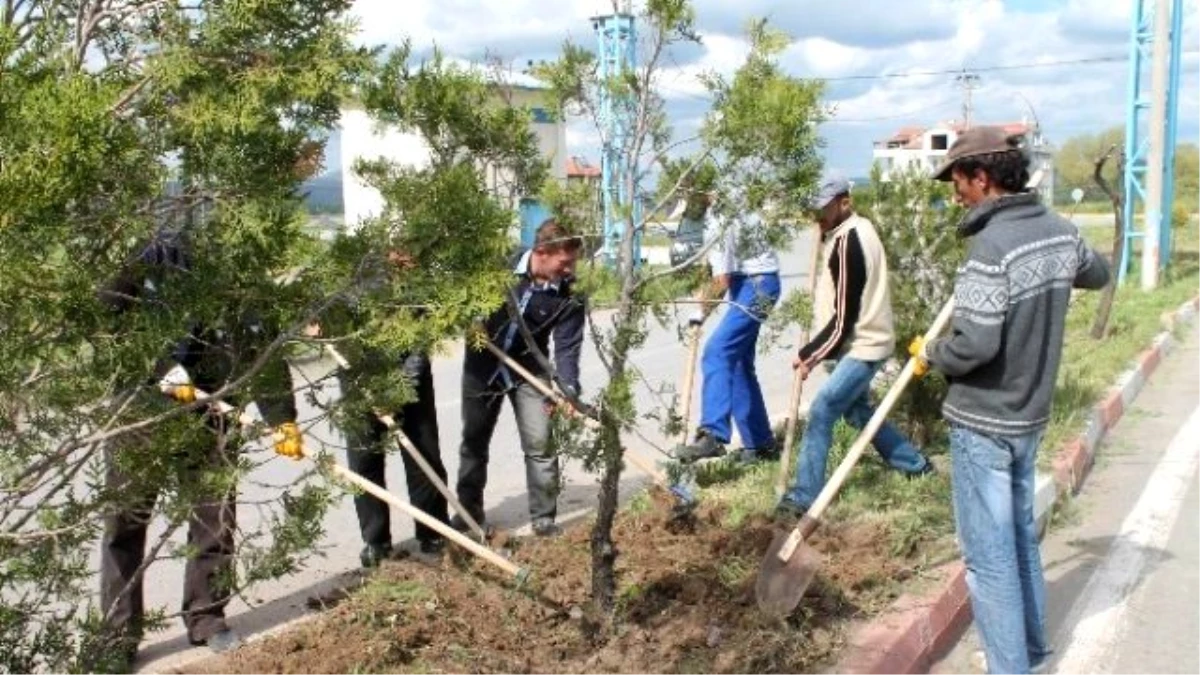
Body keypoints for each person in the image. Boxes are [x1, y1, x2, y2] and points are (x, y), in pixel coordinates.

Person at [910, 126, 1110, 674]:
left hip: (984, 421)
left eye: (958, 182)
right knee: (1019, 540)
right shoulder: (1059, 232)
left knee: (988, 559)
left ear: (984, 177)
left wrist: (931, 352)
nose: (956, 193)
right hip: (1029, 417)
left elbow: (974, 344)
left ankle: (1008, 666)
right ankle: (1032, 651)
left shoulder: (991, 247)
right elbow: (1098, 272)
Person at [96, 227, 303, 666]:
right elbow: (107, 314)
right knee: (125, 524)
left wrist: (283, 419)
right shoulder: (152, 252)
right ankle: (118, 637)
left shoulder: (245, 266)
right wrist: (159, 366)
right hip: (141, 411)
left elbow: (260, 342)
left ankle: (206, 617)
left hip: (213, 410)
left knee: (215, 518)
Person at [776, 174, 933, 519]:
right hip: (863, 341)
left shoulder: (849, 242)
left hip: (863, 345)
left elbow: (844, 319)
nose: (818, 217)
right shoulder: (853, 232)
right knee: (858, 412)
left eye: (824, 210)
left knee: (822, 410)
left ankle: (803, 496)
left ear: (844, 202)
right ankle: (916, 465)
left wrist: (810, 355)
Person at [455, 219, 585, 538]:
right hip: (483, 364)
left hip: (530, 369)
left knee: (540, 442)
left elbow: (568, 348)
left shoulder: (571, 294)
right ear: (541, 251)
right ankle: (468, 513)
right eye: (564, 262)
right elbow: (464, 296)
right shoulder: (500, 265)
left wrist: (568, 392)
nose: (569, 270)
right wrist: (469, 321)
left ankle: (543, 518)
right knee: (474, 441)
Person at [677, 192, 782, 463]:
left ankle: (713, 433)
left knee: (717, 353)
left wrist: (699, 312)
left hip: (755, 285)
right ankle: (760, 445)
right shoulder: (728, 201)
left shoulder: (720, 217)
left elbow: (721, 280)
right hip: (750, 282)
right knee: (736, 364)